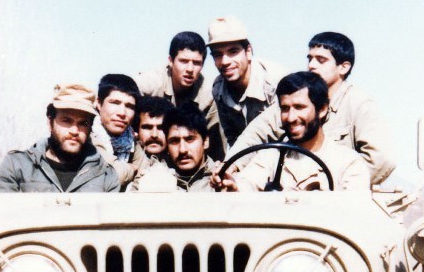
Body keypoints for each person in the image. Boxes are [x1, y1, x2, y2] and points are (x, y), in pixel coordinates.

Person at [224, 32, 395, 185]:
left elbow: (381, 160)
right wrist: (230, 167)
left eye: (321, 60)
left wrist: (339, 185)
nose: (312, 65)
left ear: (343, 67)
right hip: (292, 193)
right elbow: (255, 135)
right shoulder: (292, 103)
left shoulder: (359, 104)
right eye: (310, 59)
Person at [214, 72, 369, 193]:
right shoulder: (271, 157)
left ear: (322, 110)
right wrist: (232, 185)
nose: (291, 117)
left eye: (299, 107)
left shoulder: (349, 163)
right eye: (285, 109)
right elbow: (247, 183)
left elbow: (351, 212)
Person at [0, 83, 119, 193]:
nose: (74, 131)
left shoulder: (106, 175)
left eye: (83, 123)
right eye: (66, 121)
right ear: (50, 122)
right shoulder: (17, 165)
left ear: (90, 127)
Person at [137, 31, 224, 160]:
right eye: (183, 61)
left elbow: (215, 143)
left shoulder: (209, 94)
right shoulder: (149, 83)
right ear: (170, 61)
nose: (190, 69)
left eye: (196, 63)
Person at [208, 15, 285, 148]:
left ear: (248, 51)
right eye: (218, 54)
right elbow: (232, 137)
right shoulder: (218, 89)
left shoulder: (275, 82)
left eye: (233, 52)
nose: (225, 61)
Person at [132, 103, 215, 192]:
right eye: (175, 141)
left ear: (205, 142)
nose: (182, 150)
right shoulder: (148, 178)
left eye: (190, 139)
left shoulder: (221, 178)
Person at [91, 73, 145, 190]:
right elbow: (112, 177)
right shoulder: (88, 135)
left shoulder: (130, 141)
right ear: (99, 103)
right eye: (115, 103)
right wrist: (132, 169)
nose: (122, 113)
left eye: (129, 106)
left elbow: (147, 175)